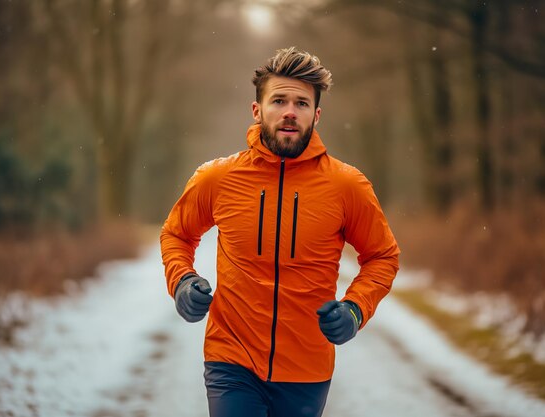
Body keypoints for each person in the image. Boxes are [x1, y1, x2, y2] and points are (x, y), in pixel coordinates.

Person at [160, 46, 400, 417]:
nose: (290, 111)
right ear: (257, 110)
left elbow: (382, 256)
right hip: (231, 361)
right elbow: (177, 234)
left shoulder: (347, 186)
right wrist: (182, 282)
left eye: (302, 104)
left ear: (316, 115)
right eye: (279, 100)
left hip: (307, 371)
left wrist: (355, 309)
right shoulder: (218, 179)